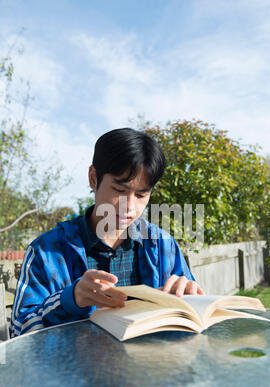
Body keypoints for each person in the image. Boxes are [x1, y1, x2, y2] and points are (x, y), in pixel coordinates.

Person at [10, 128, 204, 337]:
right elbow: (19, 332)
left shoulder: (163, 246)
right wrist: (70, 299)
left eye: (141, 194)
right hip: (74, 369)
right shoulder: (46, 251)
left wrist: (189, 297)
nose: (129, 207)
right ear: (94, 178)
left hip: (150, 366)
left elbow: (191, 324)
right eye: (120, 191)